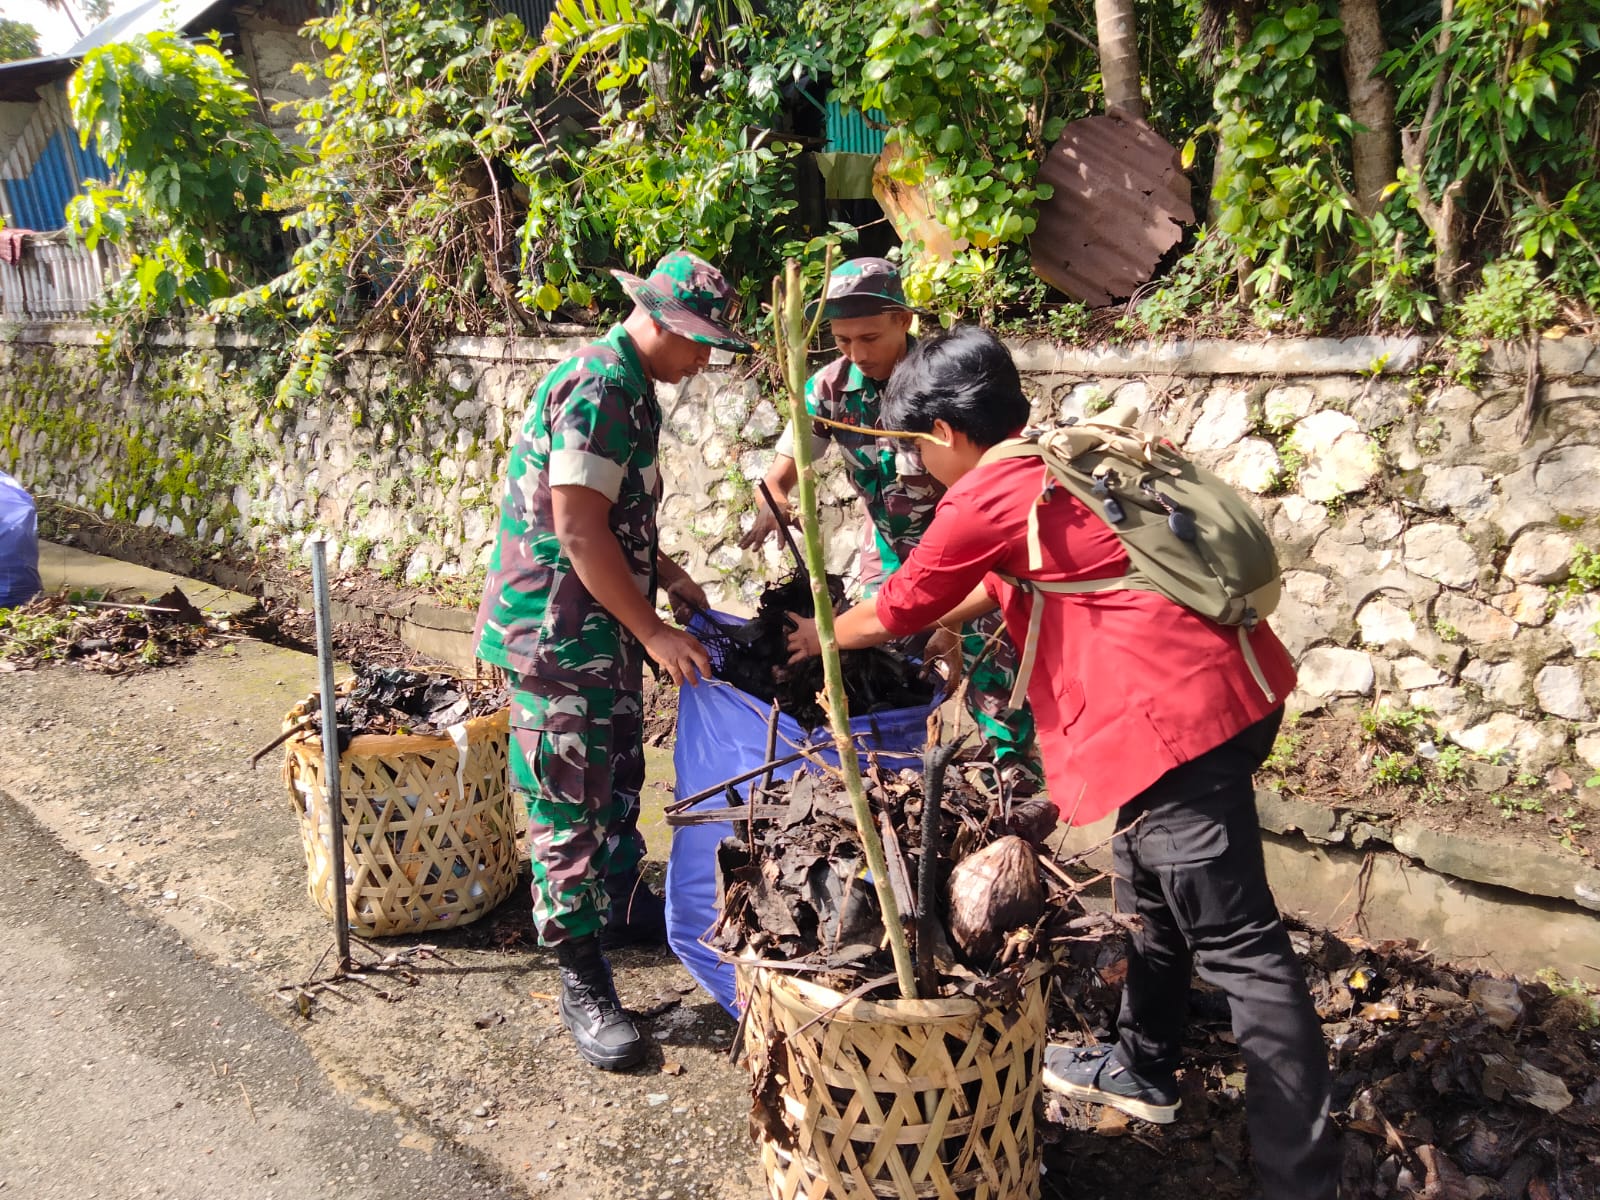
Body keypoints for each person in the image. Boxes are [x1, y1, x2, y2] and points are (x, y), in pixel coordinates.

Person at [785, 326, 1341, 1198]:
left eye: (914, 450)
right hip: (1232, 690)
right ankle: (1142, 1067)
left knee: (1244, 951)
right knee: (1145, 887)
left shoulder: (983, 494)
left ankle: (1301, 1180)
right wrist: (950, 621)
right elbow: (1000, 579)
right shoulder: (1056, 463)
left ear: (943, 433)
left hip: (1176, 724)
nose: (917, 470)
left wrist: (818, 636)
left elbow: (894, 605)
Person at [475, 250, 750, 1071]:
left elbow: (613, 515)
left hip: (602, 623)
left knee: (617, 773)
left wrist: (665, 578)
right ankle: (580, 973)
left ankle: (624, 901)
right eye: (699, 343)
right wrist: (657, 633)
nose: (703, 361)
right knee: (566, 800)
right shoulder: (600, 388)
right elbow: (577, 532)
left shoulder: (631, 385)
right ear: (660, 321)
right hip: (557, 631)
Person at [740, 257, 1039, 788]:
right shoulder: (829, 392)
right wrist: (775, 496)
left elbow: (985, 486)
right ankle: (891, 769)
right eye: (842, 341)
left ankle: (1012, 773)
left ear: (903, 319)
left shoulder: (941, 383)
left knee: (993, 661)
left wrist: (945, 619)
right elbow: (786, 469)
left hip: (970, 549)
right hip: (891, 551)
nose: (856, 354)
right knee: (876, 659)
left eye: (869, 338)